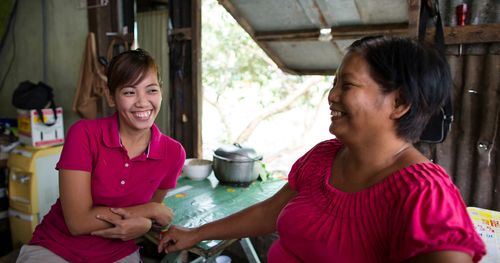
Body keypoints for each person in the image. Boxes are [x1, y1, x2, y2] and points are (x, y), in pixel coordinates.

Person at [158, 36, 486, 262]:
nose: (332, 96)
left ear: (399, 102)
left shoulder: (423, 193)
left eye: (347, 85)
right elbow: (270, 212)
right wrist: (195, 233)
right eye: (334, 83)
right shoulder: (324, 157)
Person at [16, 49, 186, 263]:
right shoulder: (84, 134)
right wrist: (150, 212)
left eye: (151, 90)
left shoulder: (173, 153)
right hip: (56, 247)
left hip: (119, 253)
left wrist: (147, 222)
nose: (142, 102)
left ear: (161, 92)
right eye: (129, 92)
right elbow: (77, 222)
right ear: (110, 97)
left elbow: (147, 218)